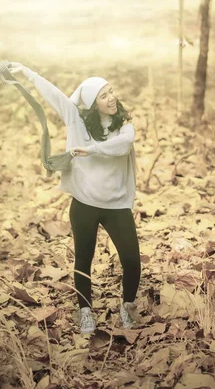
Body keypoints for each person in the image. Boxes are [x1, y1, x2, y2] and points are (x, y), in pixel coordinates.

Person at [8, 62, 141, 334]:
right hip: (84, 205)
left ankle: (127, 306)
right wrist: (27, 72)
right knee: (84, 259)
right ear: (93, 104)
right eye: (103, 95)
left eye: (111, 91)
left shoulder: (124, 125)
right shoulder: (76, 121)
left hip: (116, 205)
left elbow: (122, 146)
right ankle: (85, 311)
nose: (111, 98)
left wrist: (92, 150)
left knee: (131, 260)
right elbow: (53, 94)